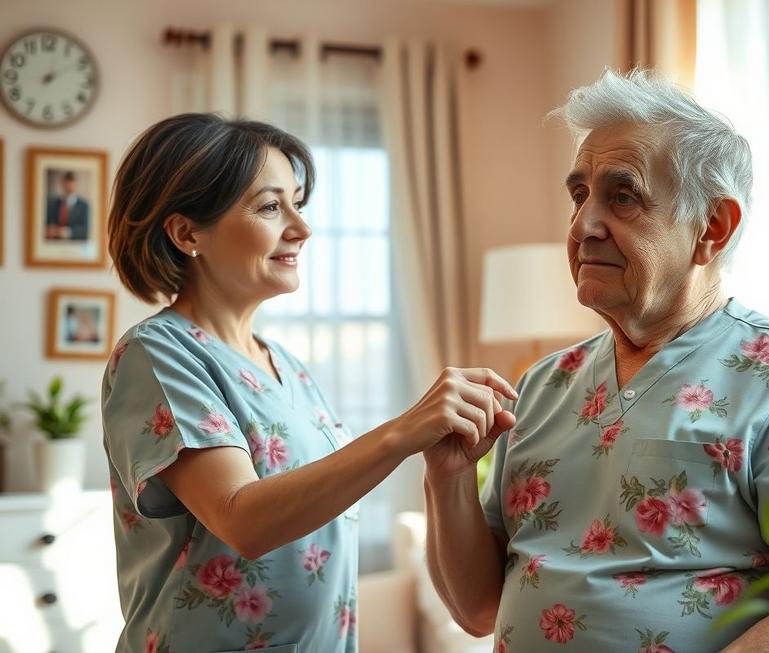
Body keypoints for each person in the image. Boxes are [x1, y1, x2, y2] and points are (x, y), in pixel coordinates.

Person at [423, 70, 769, 652]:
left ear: (712, 228)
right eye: (579, 194)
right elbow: (478, 608)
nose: (583, 225)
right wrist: (447, 477)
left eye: (622, 195)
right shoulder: (540, 385)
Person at [102, 113, 517, 653]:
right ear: (187, 233)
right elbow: (243, 518)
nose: (302, 227)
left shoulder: (286, 366)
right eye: (271, 206)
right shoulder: (156, 354)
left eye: (298, 203)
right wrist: (403, 431)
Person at [45, 170, 90, 240]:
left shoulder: (84, 205)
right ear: (62, 183)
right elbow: (48, 224)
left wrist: (67, 232)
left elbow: (85, 230)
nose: (69, 186)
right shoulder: (53, 204)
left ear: (75, 184)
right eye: (66, 182)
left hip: (75, 245)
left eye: (71, 182)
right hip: (54, 244)